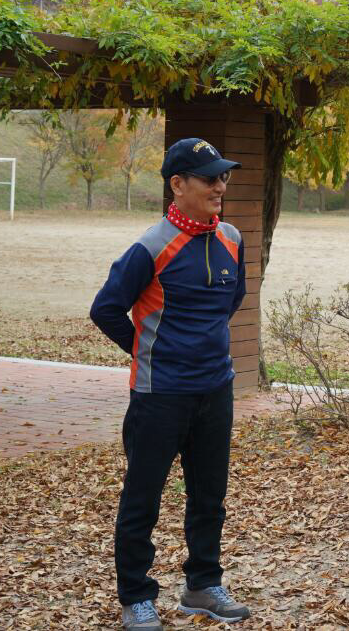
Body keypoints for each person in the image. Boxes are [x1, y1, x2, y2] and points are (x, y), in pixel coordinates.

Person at [90, 139, 250, 631]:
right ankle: (136, 597)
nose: (220, 186)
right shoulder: (151, 246)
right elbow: (105, 309)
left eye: (223, 176)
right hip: (159, 395)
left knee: (210, 497)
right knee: (143, 500)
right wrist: (148, 351)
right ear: (177, 185)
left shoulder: (231, 238)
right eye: (209, 178)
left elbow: (231, 301)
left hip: (215, 390)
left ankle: (202, 585)